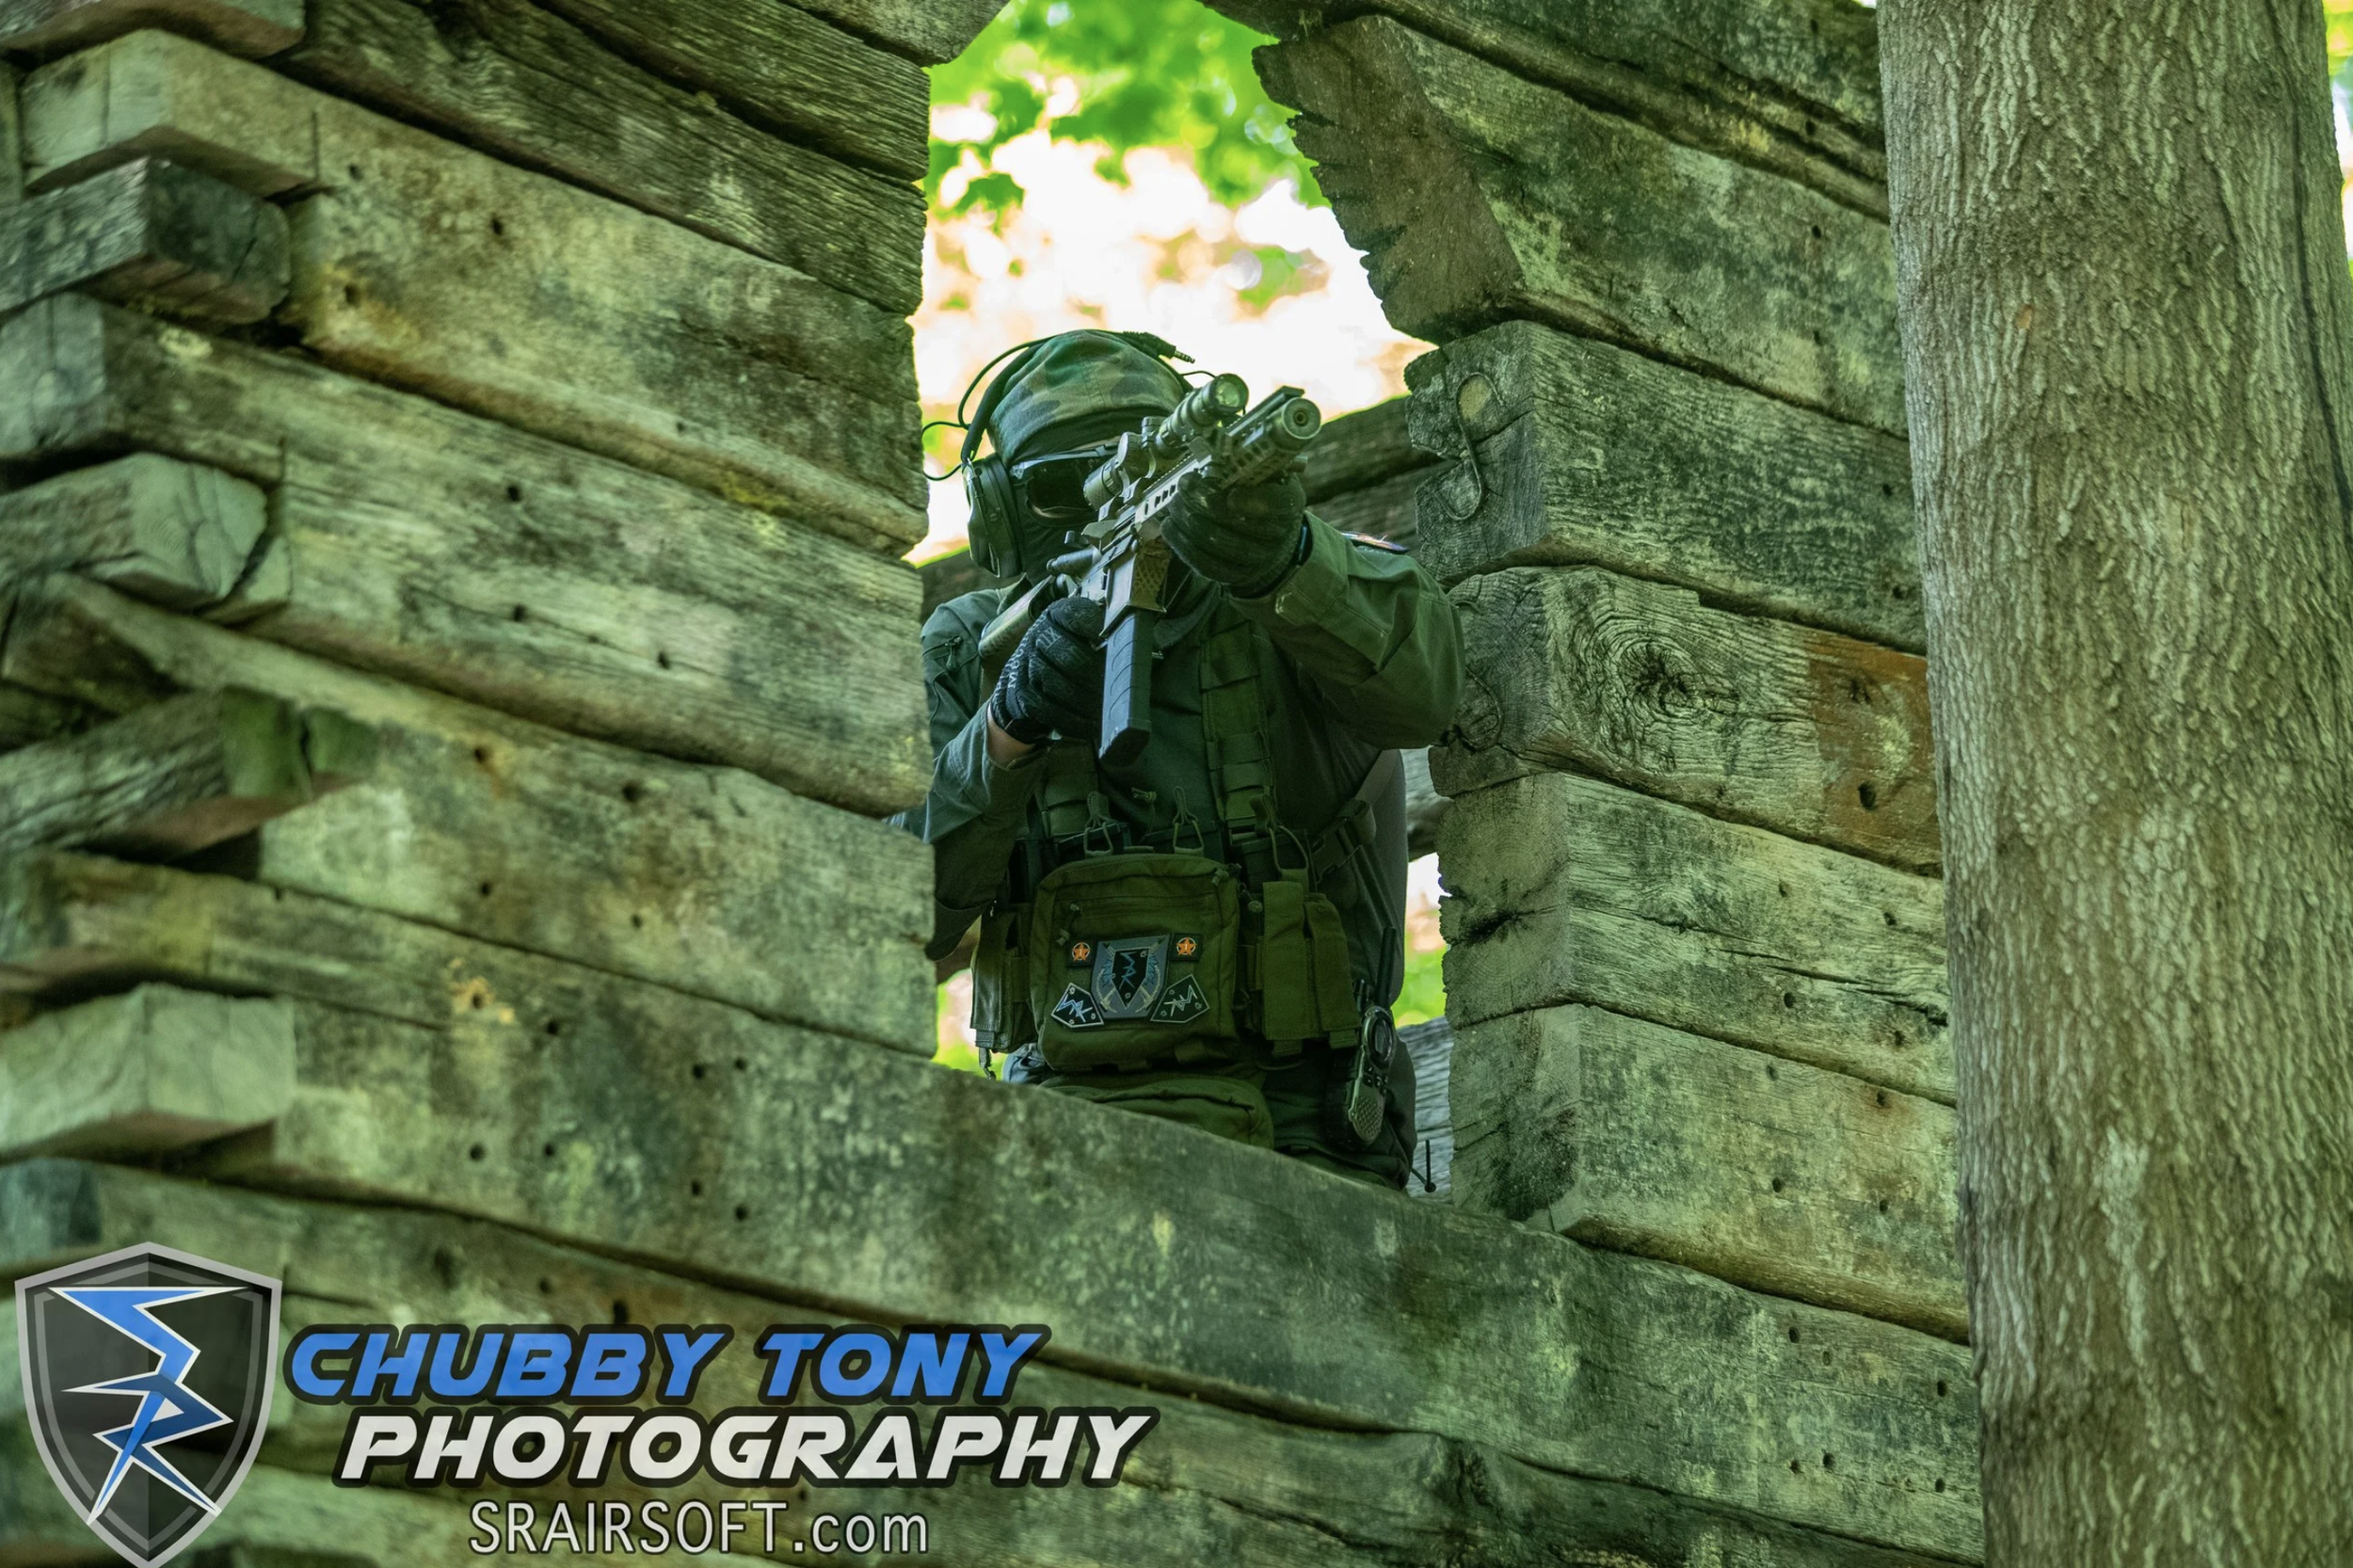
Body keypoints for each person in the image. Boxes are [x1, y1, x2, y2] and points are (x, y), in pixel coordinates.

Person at [906, 330, 1462, 1188]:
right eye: (1060, 486)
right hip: (1059, 1118)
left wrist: (1287, 561)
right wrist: (1007, 728)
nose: (1099, 508)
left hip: (1305, 1126)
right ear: (1003, 513)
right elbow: (901, 908)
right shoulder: (968, 650)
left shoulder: (1290, 588)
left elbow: (1427, 686)